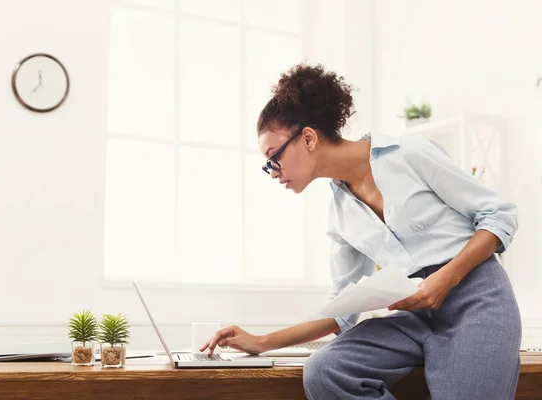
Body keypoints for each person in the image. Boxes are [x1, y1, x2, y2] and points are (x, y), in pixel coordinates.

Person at [200, 64, 521, 400]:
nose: (272, 172)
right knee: (326, 372)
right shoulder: (339, 215)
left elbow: (499, 216)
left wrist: (446, 278)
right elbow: (341, 311)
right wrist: (262, 341)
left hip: (476, 299)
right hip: (414, 316)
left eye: (273, 158)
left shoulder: (410, 153)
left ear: (308, 138)